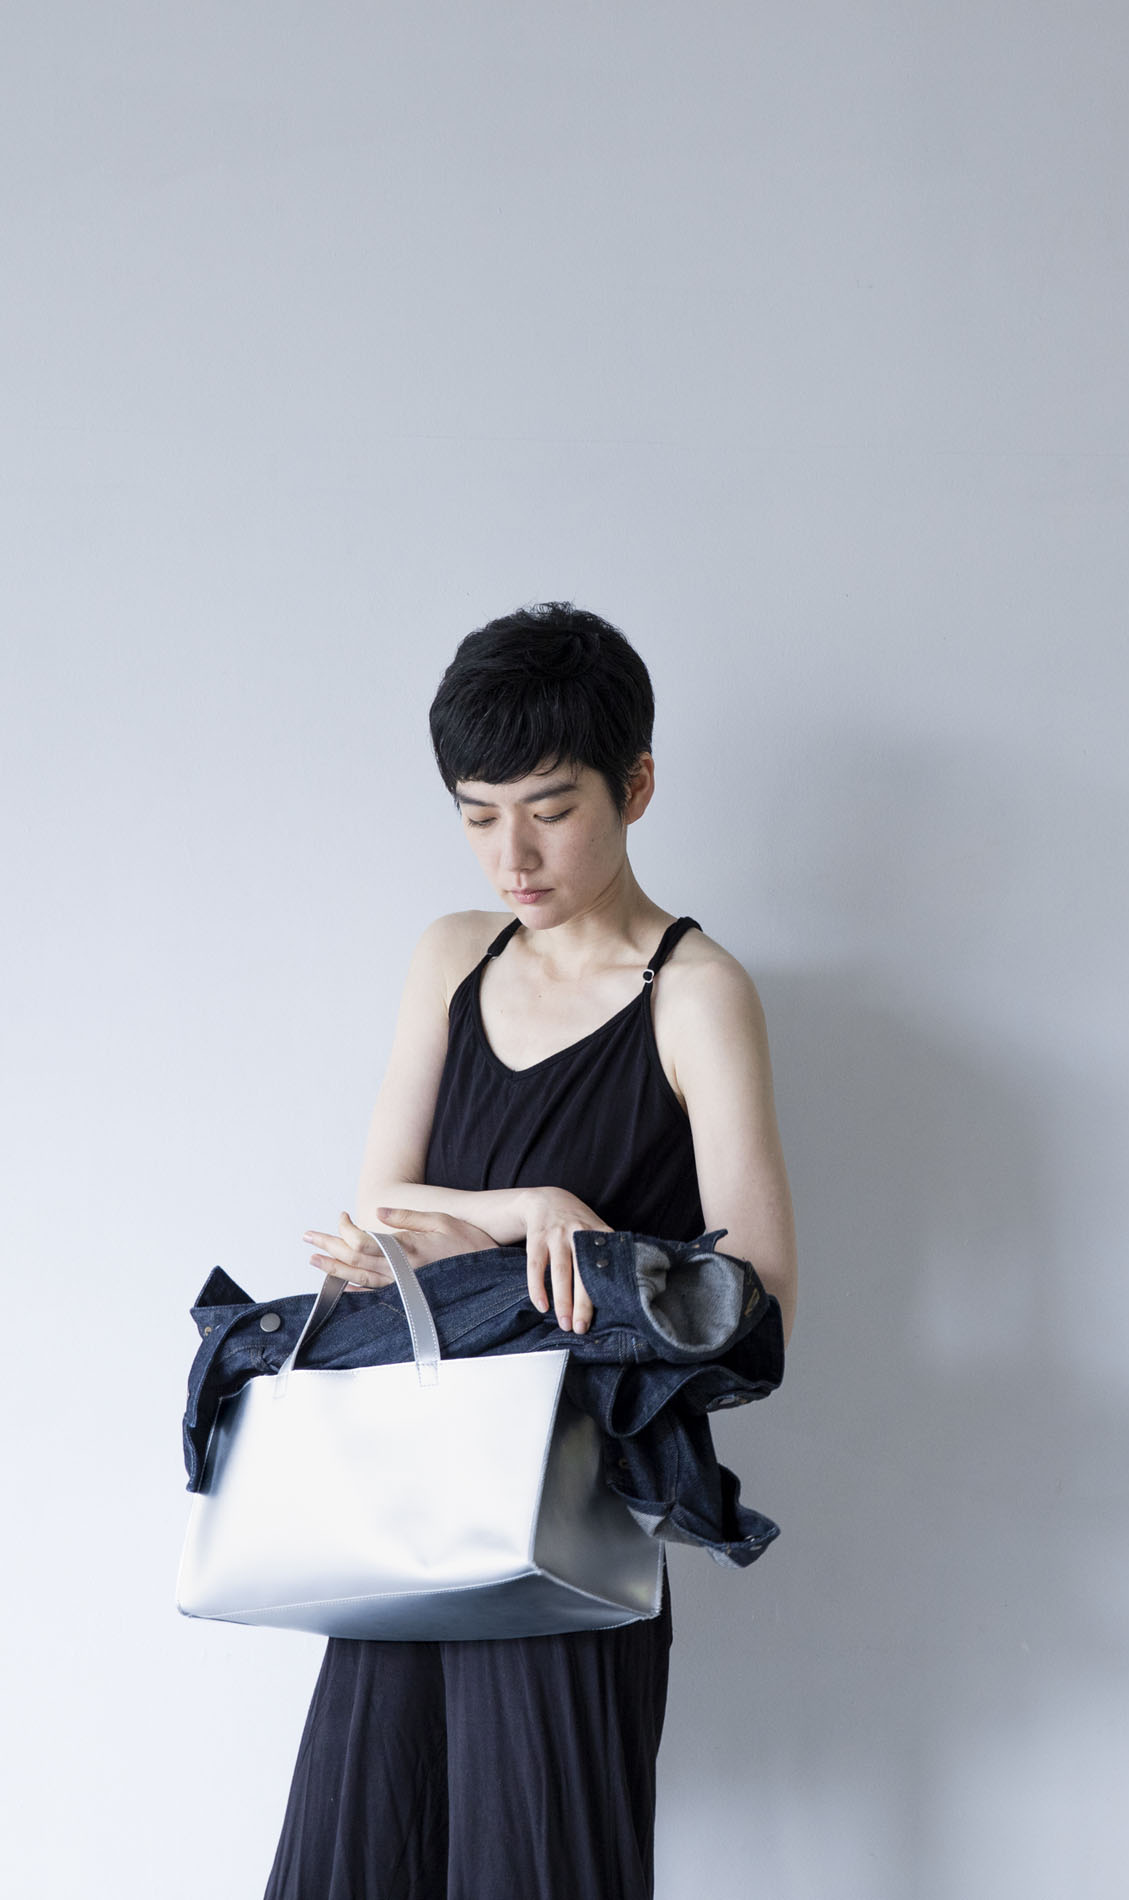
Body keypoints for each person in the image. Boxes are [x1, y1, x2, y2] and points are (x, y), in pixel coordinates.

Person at [262, 602, 798, 1900]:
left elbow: (759, 1310)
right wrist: (536, 1209)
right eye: (477, 814)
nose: (513, 854)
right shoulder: (454, 954)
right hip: (410, 1503)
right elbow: (377, 1215)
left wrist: (486, 1247)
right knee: (364, 1847)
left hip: (572, 1512)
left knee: (539, 1858)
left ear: (637, 786)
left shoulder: (696, 993)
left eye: (551, 809)